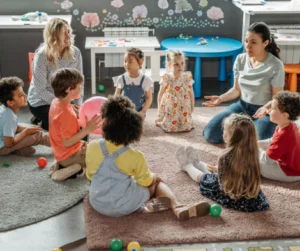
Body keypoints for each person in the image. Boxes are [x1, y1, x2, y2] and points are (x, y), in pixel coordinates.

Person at [86, 95, 210, 220]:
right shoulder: (135, 156)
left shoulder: (92, 146)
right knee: (156, 183)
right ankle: (177, 207)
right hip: (124, 205)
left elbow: (90, 175)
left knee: (120, 180)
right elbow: (145, 182)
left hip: (98, 203)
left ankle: (140, 206)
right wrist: (154, 177)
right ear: (134, 131)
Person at [203, 22, 284, 144]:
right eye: (246, 41)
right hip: (242, 106)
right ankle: (244, 132)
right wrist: (221, 98)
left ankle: (247, 132)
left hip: (264, 111)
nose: (248, 46)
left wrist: (265, 108)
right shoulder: (240, 59)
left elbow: (276, 97)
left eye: (253, 42)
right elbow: (236, 89)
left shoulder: (276, 65)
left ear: (265, 43)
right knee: (210, 133)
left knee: (257, 145)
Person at [176, 114, 269, 212]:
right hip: (251, 196)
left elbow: (220, 180)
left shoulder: (225, 156)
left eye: (225, 130)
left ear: (231, 136)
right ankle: (198, 163)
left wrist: (218, 170)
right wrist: (218, 169)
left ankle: (187, 166)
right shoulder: (254, 152)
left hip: (233, 194)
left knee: (204, 178)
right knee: (213, 172)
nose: (223, 132)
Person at [27, 18, 83, 131]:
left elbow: (79, 82)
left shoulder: (75, 52)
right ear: (54, 37)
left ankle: (46, 122)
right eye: (64, 33)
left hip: (67, 98)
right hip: (41, 101)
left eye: (69, 32)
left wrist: (78, 105)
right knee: (66, 121)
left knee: (79, 121)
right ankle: (44, 121)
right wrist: (66, 105)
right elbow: (40, 90)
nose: (68, 36)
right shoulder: (42, 56)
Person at [48, 68, 101, 181]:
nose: (81, 88)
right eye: (79, 86)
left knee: (92, 146)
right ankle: (73, 168)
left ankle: (60, 163)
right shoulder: (66, 114)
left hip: (60, 151)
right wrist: (87, 129)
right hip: (69, 154)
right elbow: (67, 142)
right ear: (68, 90)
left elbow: (62, 127)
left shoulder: (56, 102)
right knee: (99, 156)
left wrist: (79, 120)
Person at [0, 77, 50, 156]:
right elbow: (8, 143)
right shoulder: (9, 117)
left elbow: (14, 126)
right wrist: (25, 132)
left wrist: (26, 129)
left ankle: (18, 150)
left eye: (23, 92)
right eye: (20, 95)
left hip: (4, 139)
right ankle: (64, 145)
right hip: (2, 148)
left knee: (30, 127)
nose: (25, 95)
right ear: (10, 102)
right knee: (38, 136)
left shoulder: (4, 109)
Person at [259, 91, 300, 182]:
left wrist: (256, 151)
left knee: (256, 163)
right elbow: (272, 141)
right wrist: (256, 143)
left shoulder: (284, 135)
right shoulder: (288, 125)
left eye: (273, 108)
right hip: (293, 167)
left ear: (284, 115)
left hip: (290, 172)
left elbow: (267, 160)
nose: (269, 110)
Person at [156, 50, 195, 132]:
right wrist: (160, 108)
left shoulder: (187, 77)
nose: (180, 66)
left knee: (186, 126)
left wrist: (192, 105)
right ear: (169, 65)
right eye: (176, 64)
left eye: (182, 63)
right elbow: (160, 94)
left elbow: (191, 93)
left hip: (183, 105)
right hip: (170, 105)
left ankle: (183, 122)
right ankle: (167, 121)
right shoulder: (166, 77)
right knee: (170, 126)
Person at [114, 47, 153, 116]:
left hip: (138, 113)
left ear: (140, 63)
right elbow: (117, 96)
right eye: (125, 61)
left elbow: (149, 98)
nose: (126, 64)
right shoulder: (121, 79)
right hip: (124, 112)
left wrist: (143, 111)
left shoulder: (145, 80)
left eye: (130, 61)